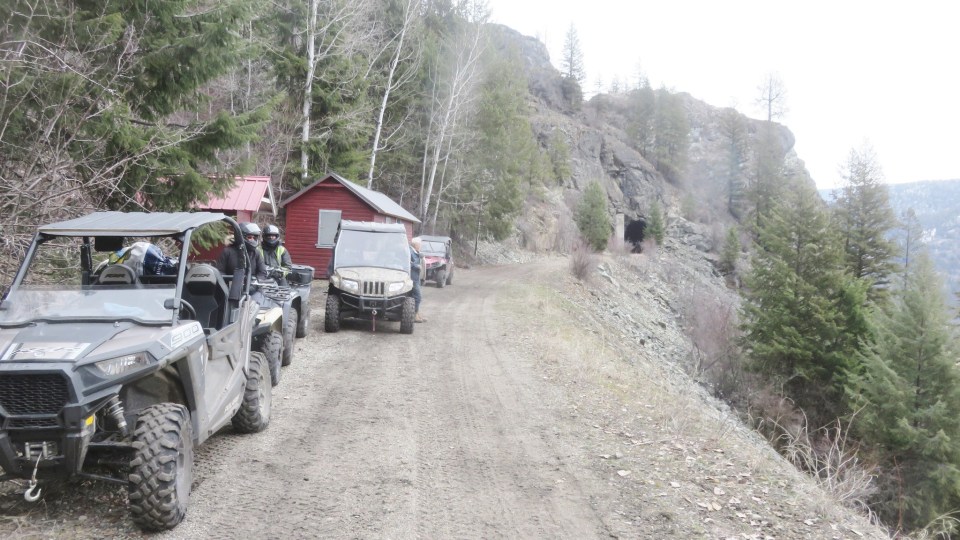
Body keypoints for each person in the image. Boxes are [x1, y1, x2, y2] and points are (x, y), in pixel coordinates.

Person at [217, 222, 270, 305]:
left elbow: (262, 272)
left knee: (258, 305)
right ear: (241, 236)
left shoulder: (256, 253)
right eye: (249, 237)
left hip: (252, 290)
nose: (252, 240)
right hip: (230, 290)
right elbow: (219, 272)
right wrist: (228, 284)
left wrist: (254, 284)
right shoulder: (227, 251)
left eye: (254, 237)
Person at [409, 237, 426, 323]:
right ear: (416, 245)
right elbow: (407, 263)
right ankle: (415, 315)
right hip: (412, 278)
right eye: (420, 244)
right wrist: (416, 266)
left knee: (414, 297)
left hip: (416, 277)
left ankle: (417, 314)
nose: (420, 246)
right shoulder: (410, 252)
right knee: (418, 297)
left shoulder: (416, 252)